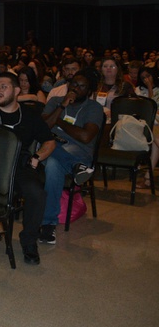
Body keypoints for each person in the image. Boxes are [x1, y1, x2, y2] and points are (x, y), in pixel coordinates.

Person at [0, 72, 55, 265]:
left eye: (4, 87)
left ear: (17, 91)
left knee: (37, 194)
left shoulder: (29, 115)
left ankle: (29, 242)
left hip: (19, 166)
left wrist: (38, 156)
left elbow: (49, 141)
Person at [39, 71, 103, 244]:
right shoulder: (55, 101)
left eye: (82, 86)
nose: (76, 88)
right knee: (49, 148)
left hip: (78, 151)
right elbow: (43, 127)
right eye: (74, 84)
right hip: (49, 146)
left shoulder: (94, 108)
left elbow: (85, 137)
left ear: (89, 91)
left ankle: (48, 225)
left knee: (53, 164)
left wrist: (57, 121)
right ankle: (76, 168)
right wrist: (61, 107)